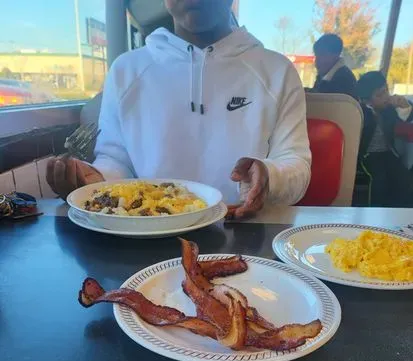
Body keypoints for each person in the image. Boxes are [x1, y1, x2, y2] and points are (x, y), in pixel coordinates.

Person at [47, 0, 311, 220]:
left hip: (245, 231)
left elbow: (296, 165)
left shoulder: (277, 71)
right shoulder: (126, 70)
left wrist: (270, 176)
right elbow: (116, 161)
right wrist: (96, 180)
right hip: (147, 235)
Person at [357, 71, 413, 207]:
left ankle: (402, 210)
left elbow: (407, 118)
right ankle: (375, 210)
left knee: (403, 177)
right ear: (367, 100)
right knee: (378, 180)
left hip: (389, 153)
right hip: (367, 156)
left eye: (386, 90)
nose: (386, 97)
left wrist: (405, 107)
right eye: (379, 95)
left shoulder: (389, 110)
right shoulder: (362, 113)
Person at [310, 34, 357, 99]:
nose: (317, 61)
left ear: (336, 55)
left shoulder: (343, 79)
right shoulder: (323, 77)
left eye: (322, 55)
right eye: (316, 55)